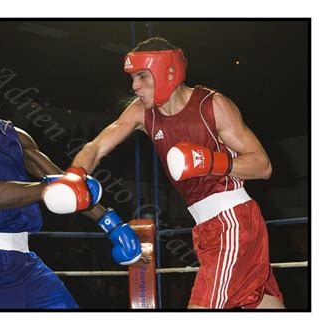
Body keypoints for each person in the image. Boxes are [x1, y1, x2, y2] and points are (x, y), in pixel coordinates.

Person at [70, 37, 285, 309]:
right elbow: (97, 145)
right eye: (132, 78)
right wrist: (75, 174)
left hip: (232, 221)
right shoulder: (142, 112)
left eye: (141, 77)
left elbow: (262, 165)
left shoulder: (212, 105)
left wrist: (210, 162)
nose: (134, 86)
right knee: (264, 305)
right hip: (206, 227)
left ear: (167, 72)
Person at [0, 66, 141, 309]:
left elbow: (64, 182)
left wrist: (111, 223)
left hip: (26, 265)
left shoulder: (12, 134)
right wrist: (50, 190)